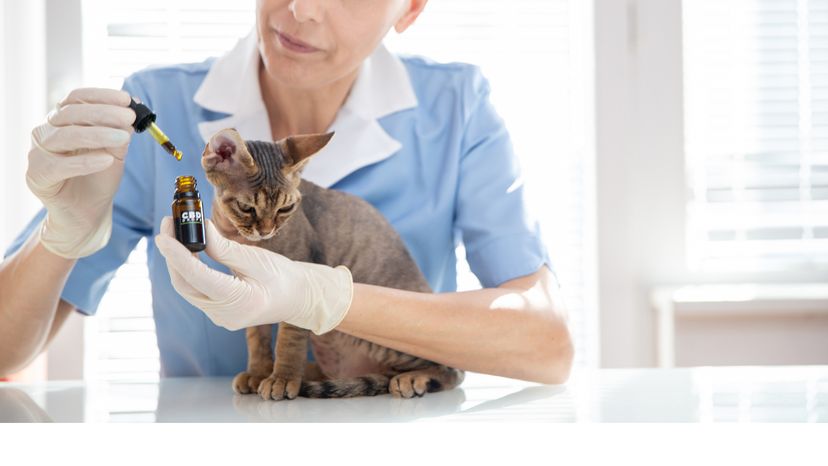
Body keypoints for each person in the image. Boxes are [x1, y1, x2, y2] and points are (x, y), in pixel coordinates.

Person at [0, 0, 572, 384]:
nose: (299, 9)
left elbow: (545, 344)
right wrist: (63, 232)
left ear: (412, 8)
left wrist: (326, 297)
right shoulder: (160, 106)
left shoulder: (457, 108)